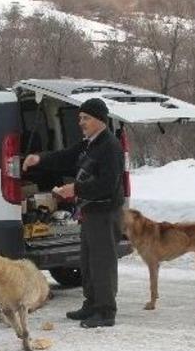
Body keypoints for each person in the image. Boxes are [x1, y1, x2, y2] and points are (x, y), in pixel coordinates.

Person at [22, 98, 124, 328]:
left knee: (102, 263)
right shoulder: (90, 143)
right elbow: (66, 156)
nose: (81, 122)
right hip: (90, 211)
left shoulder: (110, 146)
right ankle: (91, 304)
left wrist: (75, 189)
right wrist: (40, 158)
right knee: (87, 260)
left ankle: (106, 311)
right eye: (80, 118)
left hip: (105, 212)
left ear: (99, 119)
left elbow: (108, 183)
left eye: (85, 118)